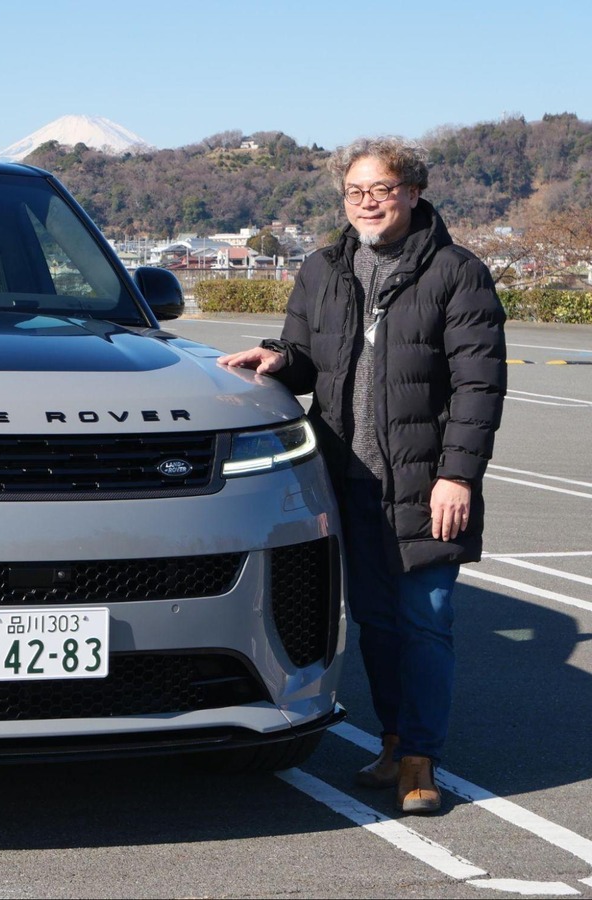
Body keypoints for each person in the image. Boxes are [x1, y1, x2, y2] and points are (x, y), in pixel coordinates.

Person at [218, 136, 507, 815]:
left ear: (412, 192)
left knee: (426, 619)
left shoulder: (457, 273)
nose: (368, 203)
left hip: (426, 482)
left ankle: (421, 760)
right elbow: (306, 356)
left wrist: (457, 476)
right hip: (346, 479)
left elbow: (478, 387)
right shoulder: (323, 270)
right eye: (356, 192)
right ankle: (393, 738)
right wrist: (275, 360)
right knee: (375, 622)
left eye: (381, 190)